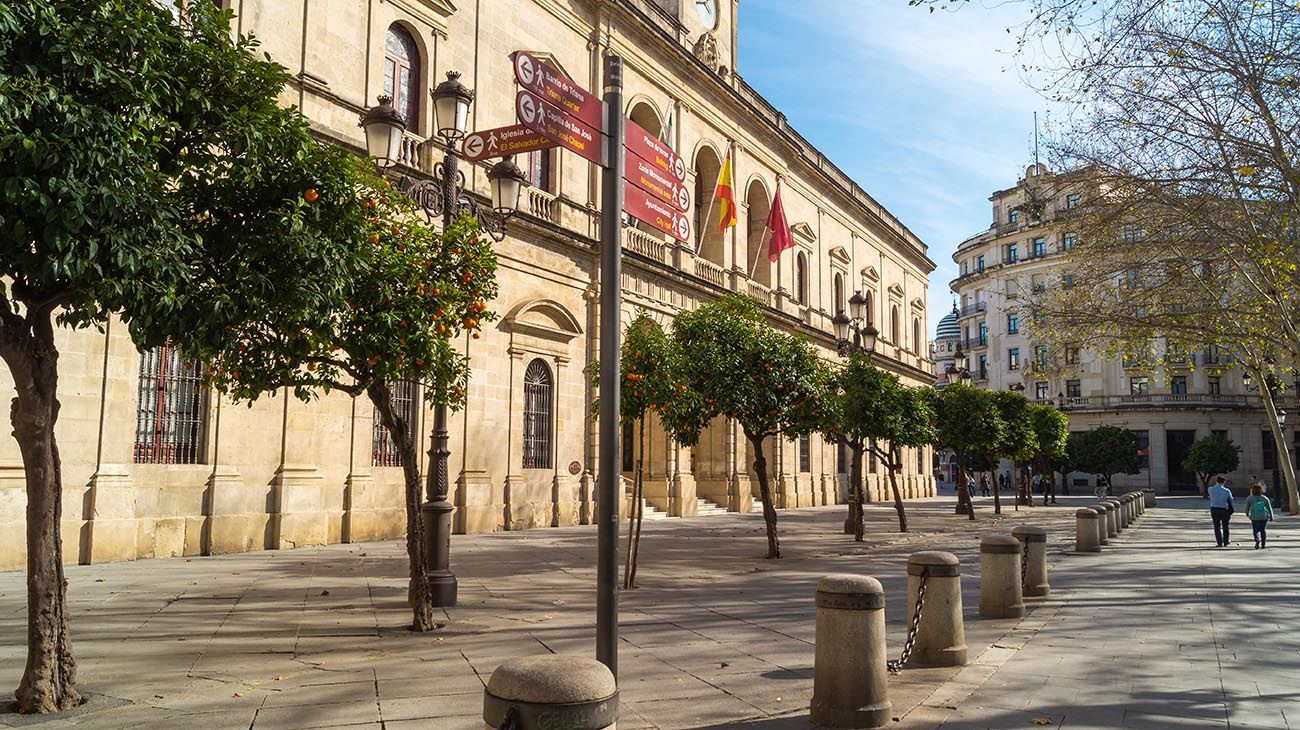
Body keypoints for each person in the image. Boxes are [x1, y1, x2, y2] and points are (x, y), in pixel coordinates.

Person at [1245, 483, 1275, 549]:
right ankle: (1263, 544)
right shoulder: (1265, 498)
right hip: (1264, 516)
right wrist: (1271, 516)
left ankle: (1257, 539)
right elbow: (1269, 507)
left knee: (1256, 530)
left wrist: (1247, 514)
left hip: (1254, 517)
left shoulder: (1250, 498)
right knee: (1263, 530)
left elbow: (1247, 508)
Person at [1208, 476, 1235, 547]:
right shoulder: (1227, 491)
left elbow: (1210, 497)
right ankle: (1226, 542)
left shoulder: (1210, 489)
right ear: (1224, 482)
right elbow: (1231, 499)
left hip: (1214, 509)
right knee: (1225, 526)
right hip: (1224, 509)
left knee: (1216, 526)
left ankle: (1219, 542)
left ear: (1216, 481)